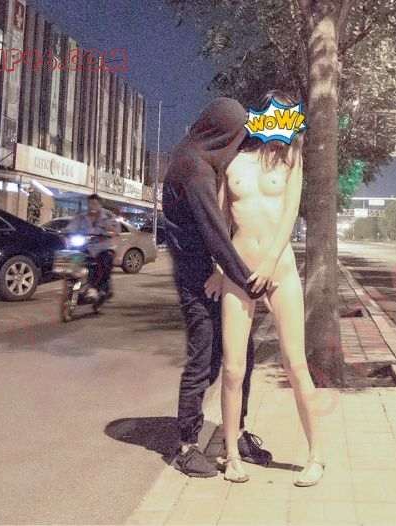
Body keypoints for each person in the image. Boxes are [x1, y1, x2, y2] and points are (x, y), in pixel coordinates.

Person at [216, 91, 324, 486]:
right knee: (233, 368)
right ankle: (231, 454)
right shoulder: (232, 160)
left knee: (295, 365)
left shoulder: (292, 160)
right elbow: (220, 219)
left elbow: (290, 214)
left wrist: (269, 261)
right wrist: (218, 267)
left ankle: (316, 456)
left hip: (280, 271)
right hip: (238, 271)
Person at [162, 98, 273, 478]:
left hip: (214, 272)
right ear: (220, 134)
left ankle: (235, 433)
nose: (237, 146)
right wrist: (251, 283)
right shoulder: (192, 165)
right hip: (196, 276)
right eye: (236, 137)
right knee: (203, 356)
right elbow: (214, 232)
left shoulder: (199, 157)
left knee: (243, 352)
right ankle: (187, 445)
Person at [67, 194, 118, 299]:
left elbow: (116, 229)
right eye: (90, 204)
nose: (92, 207)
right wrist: (64, 232)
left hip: (103, 247)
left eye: (95, 204)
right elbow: (71, 227)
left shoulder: (108, 216)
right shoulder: (81, 217)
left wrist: (109, 232)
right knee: (72, 256)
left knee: (105, 261)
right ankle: (74, 284)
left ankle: (101, 288)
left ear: (100, 205)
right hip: (86, 246)